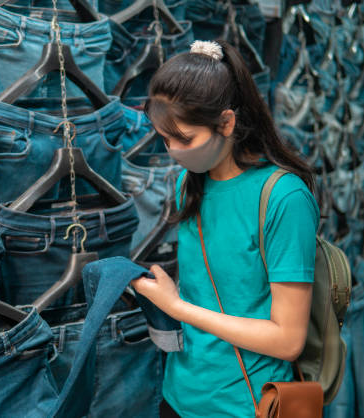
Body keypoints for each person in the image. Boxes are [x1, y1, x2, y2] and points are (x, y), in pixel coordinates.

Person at [131, 39, 320, 418]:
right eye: (165, 139)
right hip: (177, 396)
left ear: (227, 122)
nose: (172, 152)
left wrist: (177, 307)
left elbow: (288, 340)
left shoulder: (283, 197)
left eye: (184, 139)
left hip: (245, 405)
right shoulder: (189, 184)